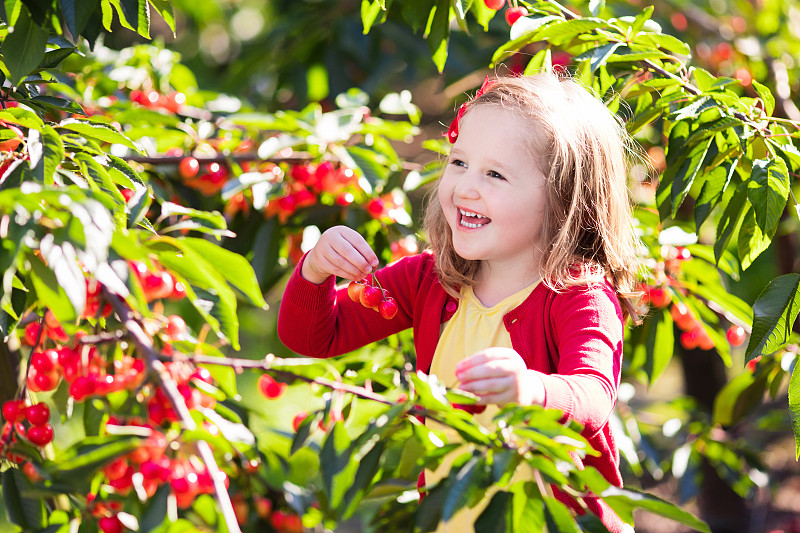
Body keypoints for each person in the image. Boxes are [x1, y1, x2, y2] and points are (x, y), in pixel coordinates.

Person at [278, 72, 642, 532]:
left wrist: (531, 390)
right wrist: (315, 271)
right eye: (458, 162)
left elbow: (593, 396)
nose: (465, 187)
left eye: (495, 173)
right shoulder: (431, 280)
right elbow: (313, 337)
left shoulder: (580, 298)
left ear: (562, 198)